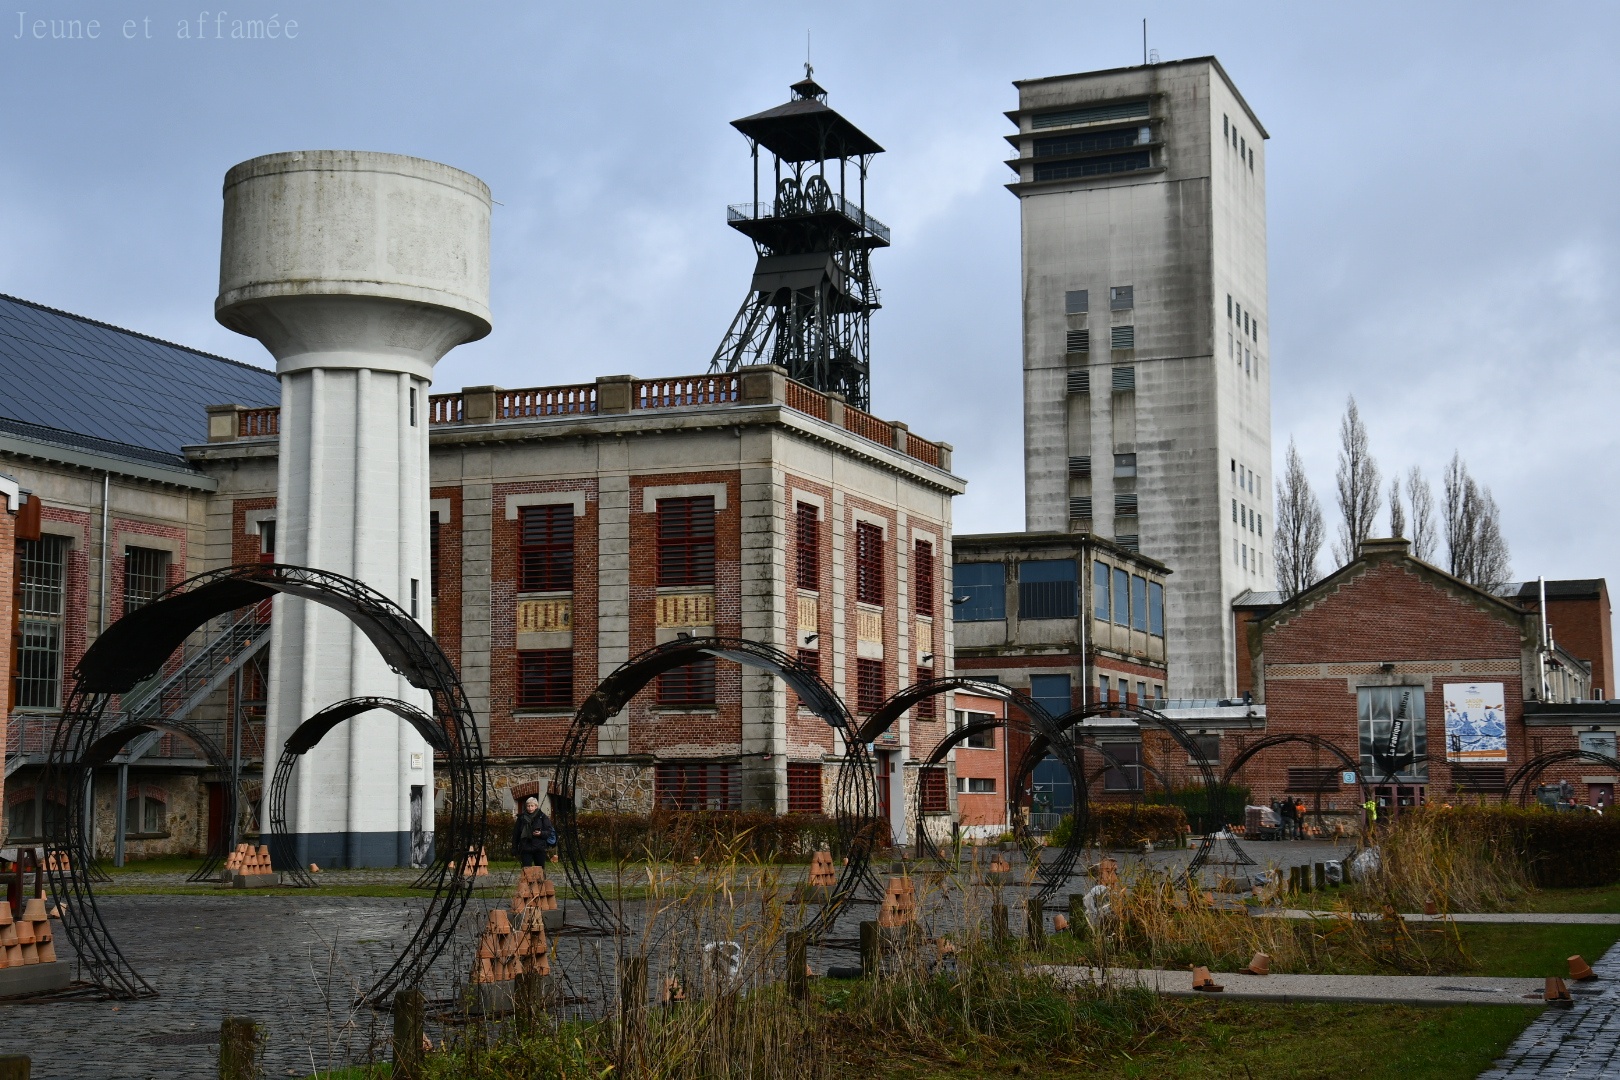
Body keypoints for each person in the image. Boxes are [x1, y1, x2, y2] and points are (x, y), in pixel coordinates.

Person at [512, 795, 557, 867]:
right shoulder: (521, 818)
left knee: (540, 871)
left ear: (536, 806)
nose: (530, 808)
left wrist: (541, 833)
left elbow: (549, 831)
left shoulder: (542, 816)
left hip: (539, 847)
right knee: (526, 870)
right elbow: (516, 834)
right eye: (528, 806)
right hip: (525, 847)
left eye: (532, 806)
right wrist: (514, 848)